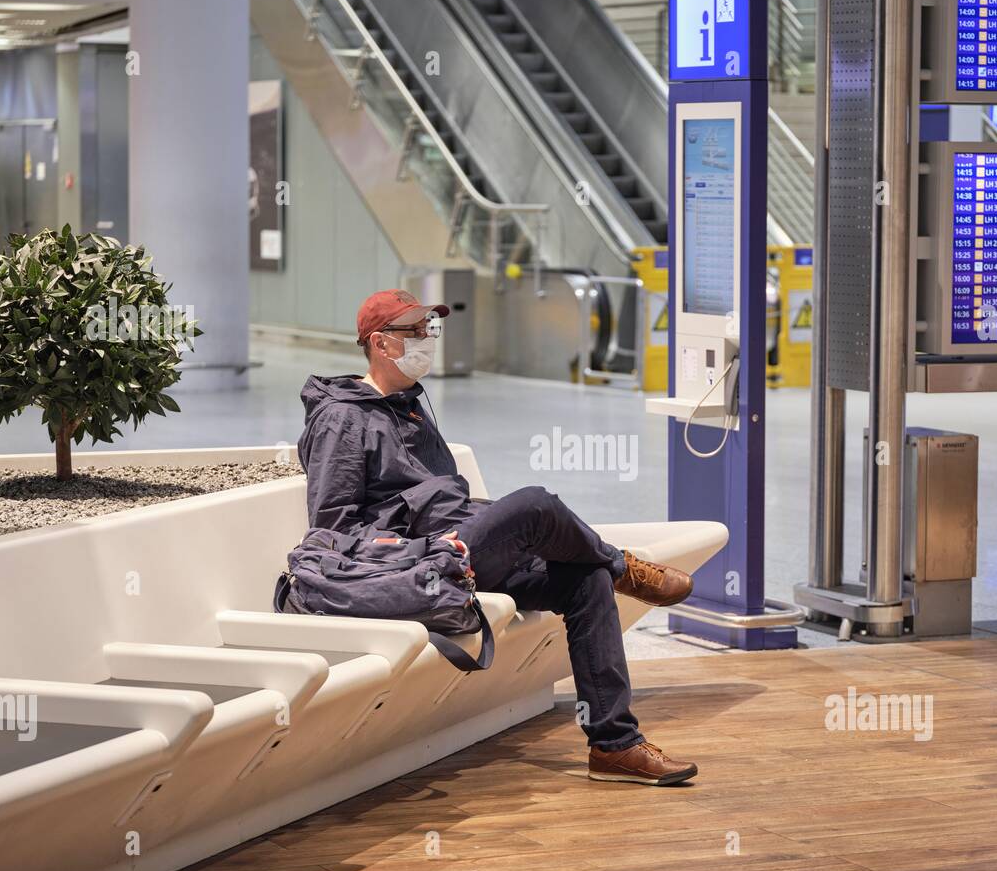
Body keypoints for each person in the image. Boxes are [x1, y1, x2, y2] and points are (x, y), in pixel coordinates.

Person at [296, 289, 700, 784]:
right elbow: (333, 527)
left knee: (585, 578)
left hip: (459, 552)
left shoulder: (411, 408)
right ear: (381, 344)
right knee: (534, 504)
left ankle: (615, 746)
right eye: (416, 330)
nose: (428, 339)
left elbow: (439, 497)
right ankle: (626, 568)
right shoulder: (342, 417)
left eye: (431, 328)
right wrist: (413, 543)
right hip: (414, 566)